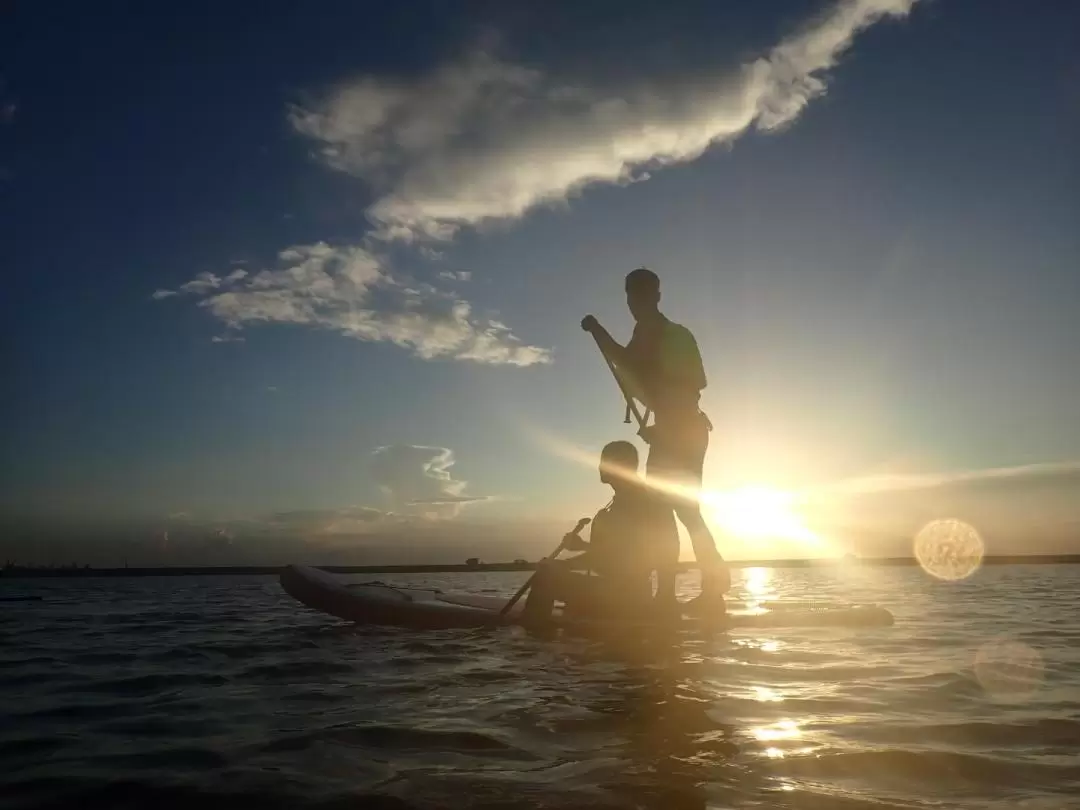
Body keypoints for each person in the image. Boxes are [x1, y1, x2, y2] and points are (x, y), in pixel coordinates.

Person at [581, 267, 730, 613]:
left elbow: (697, 381)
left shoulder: (675, 335)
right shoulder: (641, 332)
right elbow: (625, 362)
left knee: (684, 513)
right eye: (631, 297)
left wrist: (663, 407)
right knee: (664, 515)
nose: (636, 303)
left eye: (643, 296)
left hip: (684, 431)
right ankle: (670, 595)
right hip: (669, 432)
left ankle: (709, 590)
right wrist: (599, 331)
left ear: (657, 296)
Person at [521, 440, 678, 629]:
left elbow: (629, 555)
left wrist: (562, 565)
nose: (599, 467)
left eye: (605, 461)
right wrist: (580, 548)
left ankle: (529, 643)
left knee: (546, 578)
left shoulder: (639, 500)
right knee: (553, 572)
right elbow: (615, 552)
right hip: (620, 592)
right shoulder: (628, 499)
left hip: (624, 598)